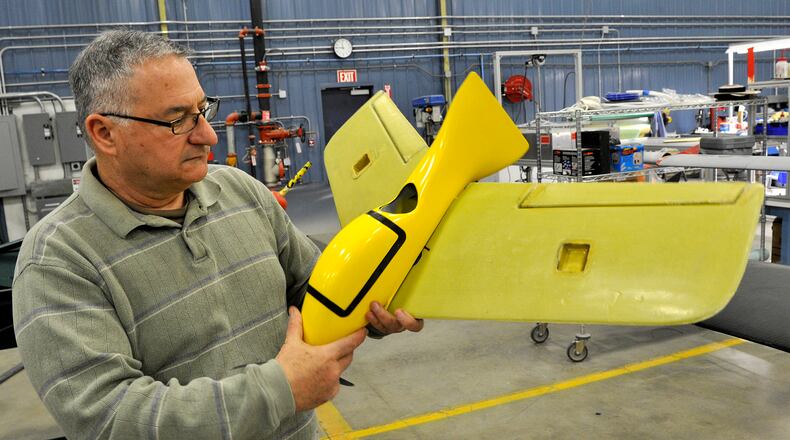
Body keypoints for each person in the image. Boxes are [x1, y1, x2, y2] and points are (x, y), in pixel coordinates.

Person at [12, 30, 423, 440]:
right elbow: (109, 419)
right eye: (177, 120)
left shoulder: (240, 191)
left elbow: (315, 288)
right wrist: (279, 390)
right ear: (104, 133)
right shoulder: (57, 260)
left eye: (203, 110)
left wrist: (374, 305)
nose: (206, 135)